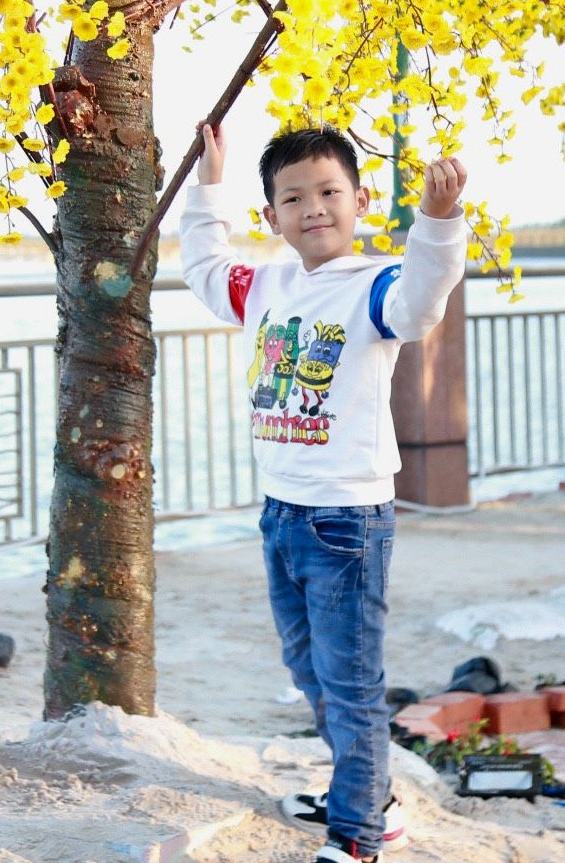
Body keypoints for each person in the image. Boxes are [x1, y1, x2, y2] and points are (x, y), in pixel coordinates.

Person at [180, 122, 466, 863]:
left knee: (350, 683)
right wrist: (209, 182)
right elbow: (206, 267)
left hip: (346, 519)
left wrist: (436, 223)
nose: (313, 208)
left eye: (329, 192)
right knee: (308, 670)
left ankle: (359, 836)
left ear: (361, 201)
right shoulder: (267, 286)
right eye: (293, 197)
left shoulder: (374, 289)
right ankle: (365, 796)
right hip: (281, 512)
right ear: (271, 216)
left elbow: (424, 300)